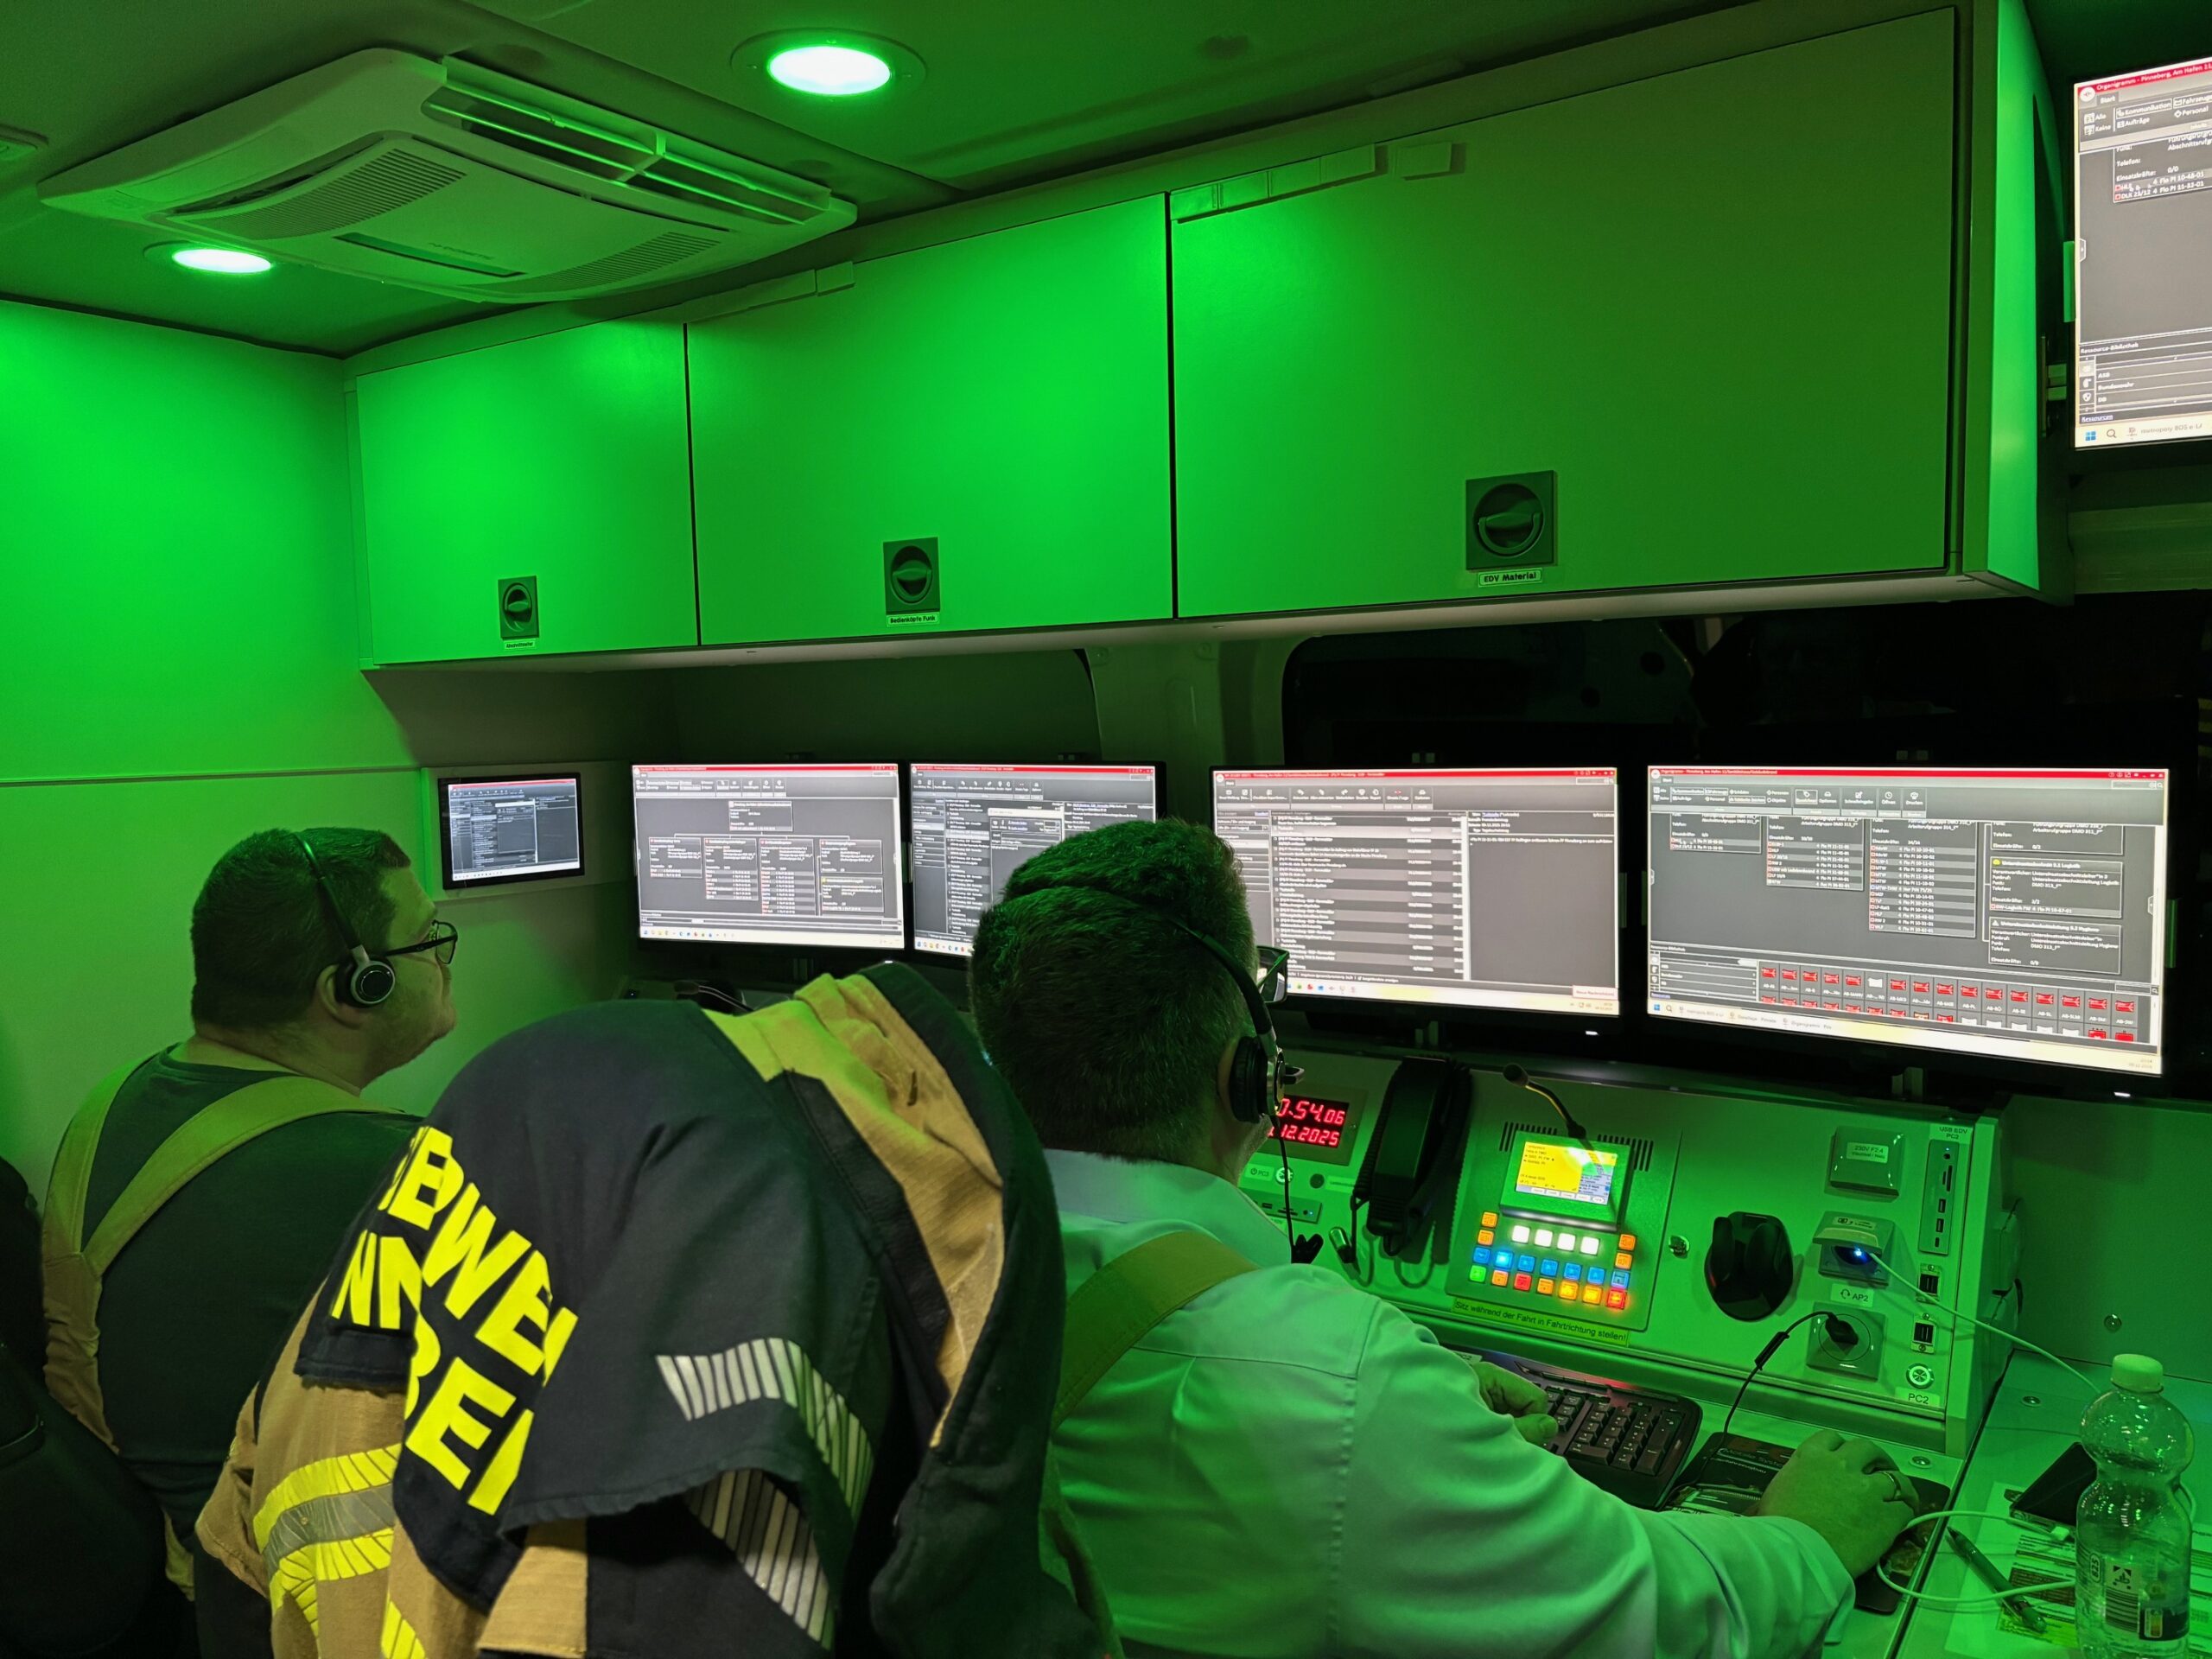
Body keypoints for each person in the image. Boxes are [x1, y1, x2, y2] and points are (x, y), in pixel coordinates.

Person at [970, 818, 1913, 1659]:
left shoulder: (925, 1278)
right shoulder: (1343, 1385)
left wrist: (1425, 1403)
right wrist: (1806, 1538)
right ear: (1248, 1076)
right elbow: (1660, 1618)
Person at [40, 828, 454, 1597]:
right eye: (427, 940)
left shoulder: (115, 1101)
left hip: (157, 1562)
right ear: (353, 988)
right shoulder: (397, 1172)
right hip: (280, 1594)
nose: (441, 961)